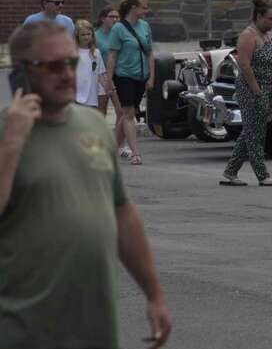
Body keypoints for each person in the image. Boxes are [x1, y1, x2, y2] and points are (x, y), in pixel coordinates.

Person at [1, 21, 171, 348]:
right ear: (21, 73)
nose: (67, 73)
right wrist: (12, 142)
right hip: (21, 331)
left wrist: (154, 294)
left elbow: (123, 214)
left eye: (71, 62)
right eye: (52, 65)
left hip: (94, 329)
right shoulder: (5, 132)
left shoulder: (93, 125)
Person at [221, 0, 272, 187]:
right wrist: (256, 90)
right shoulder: (248, 36)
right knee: (256, 134)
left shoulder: (268, 35)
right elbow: (245, 65)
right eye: (270, 19)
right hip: (252, 89)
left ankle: (230, 172)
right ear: (259, 17)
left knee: (251, 131)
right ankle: (262, 175)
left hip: (269, 87)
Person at [107, 0, 154, 167]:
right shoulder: (118, 29)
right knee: (129, 114)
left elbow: (150, 52)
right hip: (124, 75)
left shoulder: (145, 26)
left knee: (128, 113)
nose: (147, 10)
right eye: (144, 7)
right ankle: (136, 153)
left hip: (141, 75)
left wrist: (152, 76)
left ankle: (111, 149)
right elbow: (112, 56)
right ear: (133, 8)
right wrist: (109, 80)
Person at [73, 19, 110, 109]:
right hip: (75, 96)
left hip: (91, 97)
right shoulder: (72, 52)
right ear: (77, 36)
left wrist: (107, 87)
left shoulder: (96, 53)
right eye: (83, 35)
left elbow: (100, 73)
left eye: (88, 34)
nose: (86, 37)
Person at [95, 4, 120, 118]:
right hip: (102, 76)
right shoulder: (95, 36)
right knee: (101, 112)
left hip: (118, 75)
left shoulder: (119, 35)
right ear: (103, 18)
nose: (115, 19)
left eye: (117, 17)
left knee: (121, 111)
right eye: (111, 16)